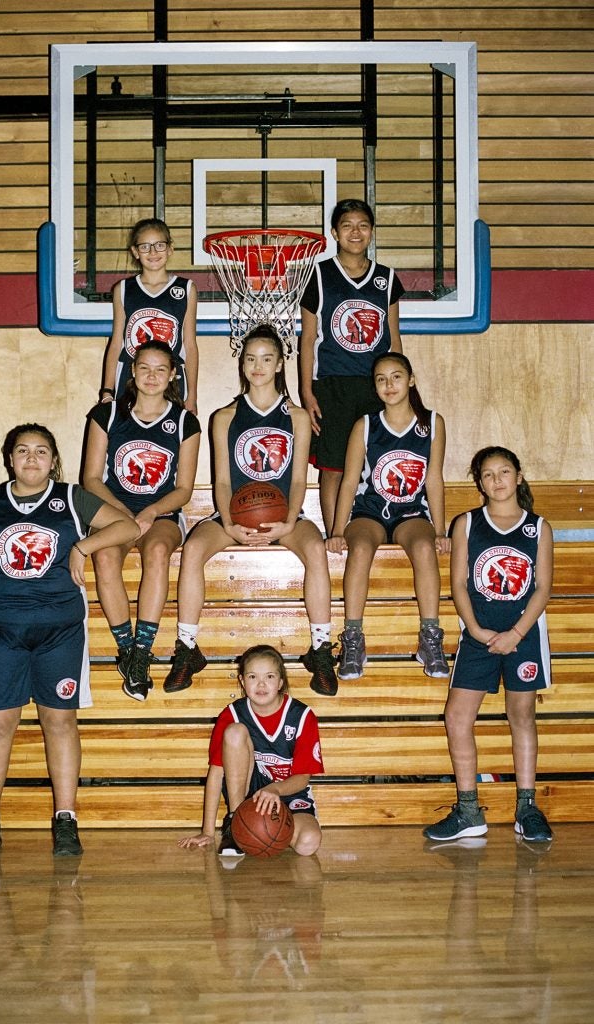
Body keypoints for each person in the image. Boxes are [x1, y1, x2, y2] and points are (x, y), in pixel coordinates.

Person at [0, 423, 142, 861]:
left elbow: (128, 527)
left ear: (53, 459)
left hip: (60, 629)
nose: (30, 459)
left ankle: (66, 819)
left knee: (59, 722)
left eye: (41, 452)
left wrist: (82, 547)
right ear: (9, 459)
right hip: (2, 629)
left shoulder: (71, 498)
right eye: (22, 451)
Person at [163, 322, 339, 696]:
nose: (257, 366)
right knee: (192, 549)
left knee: (315, 550)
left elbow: (294, 480)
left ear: (279, 364)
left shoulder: (297, 417)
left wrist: (288, 521)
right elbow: (223, 481)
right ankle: (187, 649)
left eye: (266, 358)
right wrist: (229, 524)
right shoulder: (224, 417)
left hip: (285, 513)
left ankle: (321, 649)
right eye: (250, 359)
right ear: (242, 364)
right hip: (234, 512)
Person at [423, 446, 554, 843]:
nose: (497, 480)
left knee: (522, 717)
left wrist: (516, 633)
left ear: (518, 475)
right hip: (478, 636)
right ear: (479, 482)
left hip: (524, 636)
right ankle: (468, 811)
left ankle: (526, 807)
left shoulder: (538, 527)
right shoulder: (466, 524)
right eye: (488, 474)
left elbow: (543, 588)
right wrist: (476, 630)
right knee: (457, 718)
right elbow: (459, 584)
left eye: (504, 472)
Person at [83, 339, 201, 701]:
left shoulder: (185, 421)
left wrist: (148, 513)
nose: (152, 376)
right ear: (132, 372)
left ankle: (143, 653)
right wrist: (123, 514)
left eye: (160, 369)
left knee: (159, 551)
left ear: (172, 376)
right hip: (112, 508)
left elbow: (183, 489)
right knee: (103, 555)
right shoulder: (107, 415)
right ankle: (127, 650)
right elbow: (90, 479)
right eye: (145, 368)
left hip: (161, 512)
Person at [327, 352, 450, 681]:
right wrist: (338, 529)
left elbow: (434, 479)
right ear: (375, 386)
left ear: (410, 380)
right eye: (381, 379)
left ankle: (430, 638)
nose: (388, 384)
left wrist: (440, 529)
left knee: (425, 548)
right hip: (370, 511)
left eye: (396, 377)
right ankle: (353, 638)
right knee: (362, 548)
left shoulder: (432, 423)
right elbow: (350, 481)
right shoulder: (366, 425)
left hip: (411, 512)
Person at [299, 198, 404, 535]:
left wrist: (401, 390)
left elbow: (393, 339)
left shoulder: (386, 278)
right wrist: (306, 390)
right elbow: (308, 339)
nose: (355, 232)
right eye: (347, 225)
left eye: (362, 225)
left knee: (373, 465)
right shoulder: (318, 274)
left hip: (377, 384)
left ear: (371, 231)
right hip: (333, 384)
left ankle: (375, 526)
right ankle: (335, 535)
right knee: (333, 468)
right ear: (334, 233)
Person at [177, 644, 324, 858]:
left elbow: (302, 777)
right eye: (253, 676)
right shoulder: (232, 714)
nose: (261, 684)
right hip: (247, 795)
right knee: (235, 732)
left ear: (281, 682)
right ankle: (235, 824)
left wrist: (274, 791)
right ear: (242, 681)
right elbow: (216, 773)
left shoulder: (302, 716)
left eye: (270, 676)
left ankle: (264, 832)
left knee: (307, 843)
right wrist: (207, 832)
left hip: (287, 792)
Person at [100, 217, 199, 414]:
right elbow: (116, 343)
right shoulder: (124, 289)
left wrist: (193, 396)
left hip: (171, 379)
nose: (153, 252)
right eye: (145, 246)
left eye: (159, 245)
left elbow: (190, 345)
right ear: (135, 252)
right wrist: (107, 390)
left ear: (170, 248)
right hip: (129, 377)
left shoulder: (186, 289)